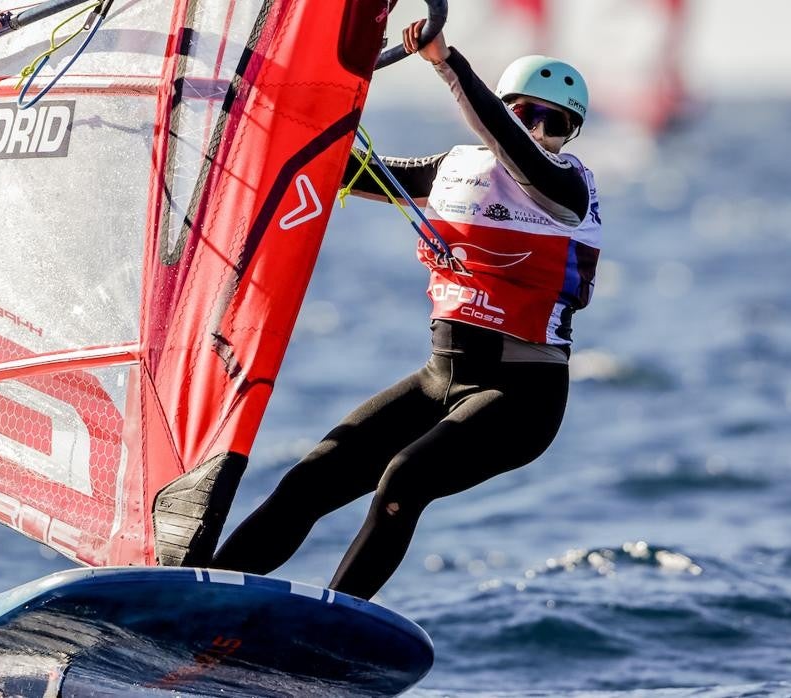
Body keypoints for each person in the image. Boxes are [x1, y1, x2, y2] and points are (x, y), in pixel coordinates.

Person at [209, 20, 602, 601]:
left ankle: (330, 628)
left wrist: (448, 63)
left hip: (522, 400)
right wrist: (252, 120)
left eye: (557, 122)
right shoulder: (455, 170)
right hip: (439, 378)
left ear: (569, 135)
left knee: (404, 479)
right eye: (525, 111)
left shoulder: (567, 187)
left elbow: (515, 148)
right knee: (312, 478)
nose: (537, 129)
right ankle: (198, 597)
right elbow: (343, 168)